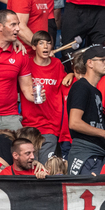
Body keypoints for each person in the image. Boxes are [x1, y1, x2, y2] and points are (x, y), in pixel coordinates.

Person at [67, 46, 105, 175]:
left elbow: (94, 126)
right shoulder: (81, 87)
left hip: (97, 153)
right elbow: (74, 123)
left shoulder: (96, 92)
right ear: (90, 63)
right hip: (84, 155)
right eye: (103, 60)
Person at [23, 31, 69, 162]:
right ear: (33, 46)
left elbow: (65, 83)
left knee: (45, 167)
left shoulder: (57, 64)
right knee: (30, 165)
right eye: (41, 43)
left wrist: (71, 74)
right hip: (29, 124)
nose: (45, 46)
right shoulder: (27, 64)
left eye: (49, 43)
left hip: (50, 125)